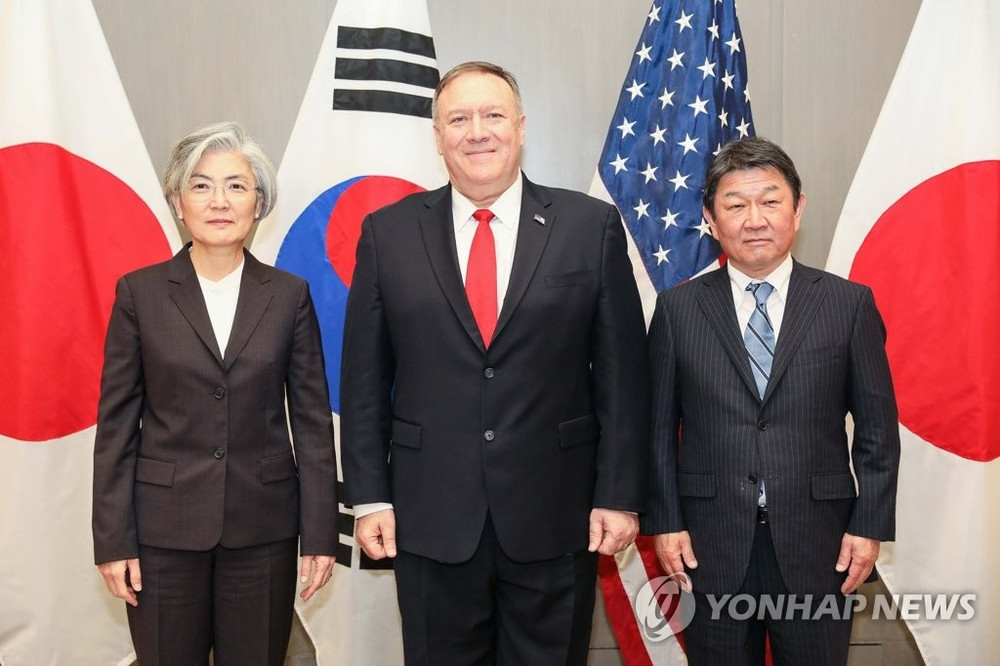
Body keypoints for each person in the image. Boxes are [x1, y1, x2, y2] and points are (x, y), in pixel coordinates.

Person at [340, 61, 649, 664]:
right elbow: (363, 384)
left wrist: (619, 493)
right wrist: (371, 497)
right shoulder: (388, 233)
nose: (477, 131)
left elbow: (624, 379)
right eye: (458, 119)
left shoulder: (589, 227)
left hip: (558, 514)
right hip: (429, 518)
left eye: (493, 115)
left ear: (521, 127)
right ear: (437, 137)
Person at [643, 137, 901, 665]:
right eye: (736, 205)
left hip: (821, 544)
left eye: (770, 201)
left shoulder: (848, 304)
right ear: (711, 219)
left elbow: (877, 431)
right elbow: (657, 430)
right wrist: (666, 522)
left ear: (798, 208)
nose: (754, 219)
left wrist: (869, 526)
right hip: (709, 544)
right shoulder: (677, 310)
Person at [92, 121, 338, 665]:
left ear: (259, 203)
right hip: (161, 535)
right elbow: (116, 429)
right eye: (201, 185)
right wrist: (113, 540)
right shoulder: (140, 293)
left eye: (236, 185)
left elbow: (312, 424)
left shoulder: (289, 296)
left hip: (264, 531)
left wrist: (321, 533)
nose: (219, 201)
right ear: (177, 203)